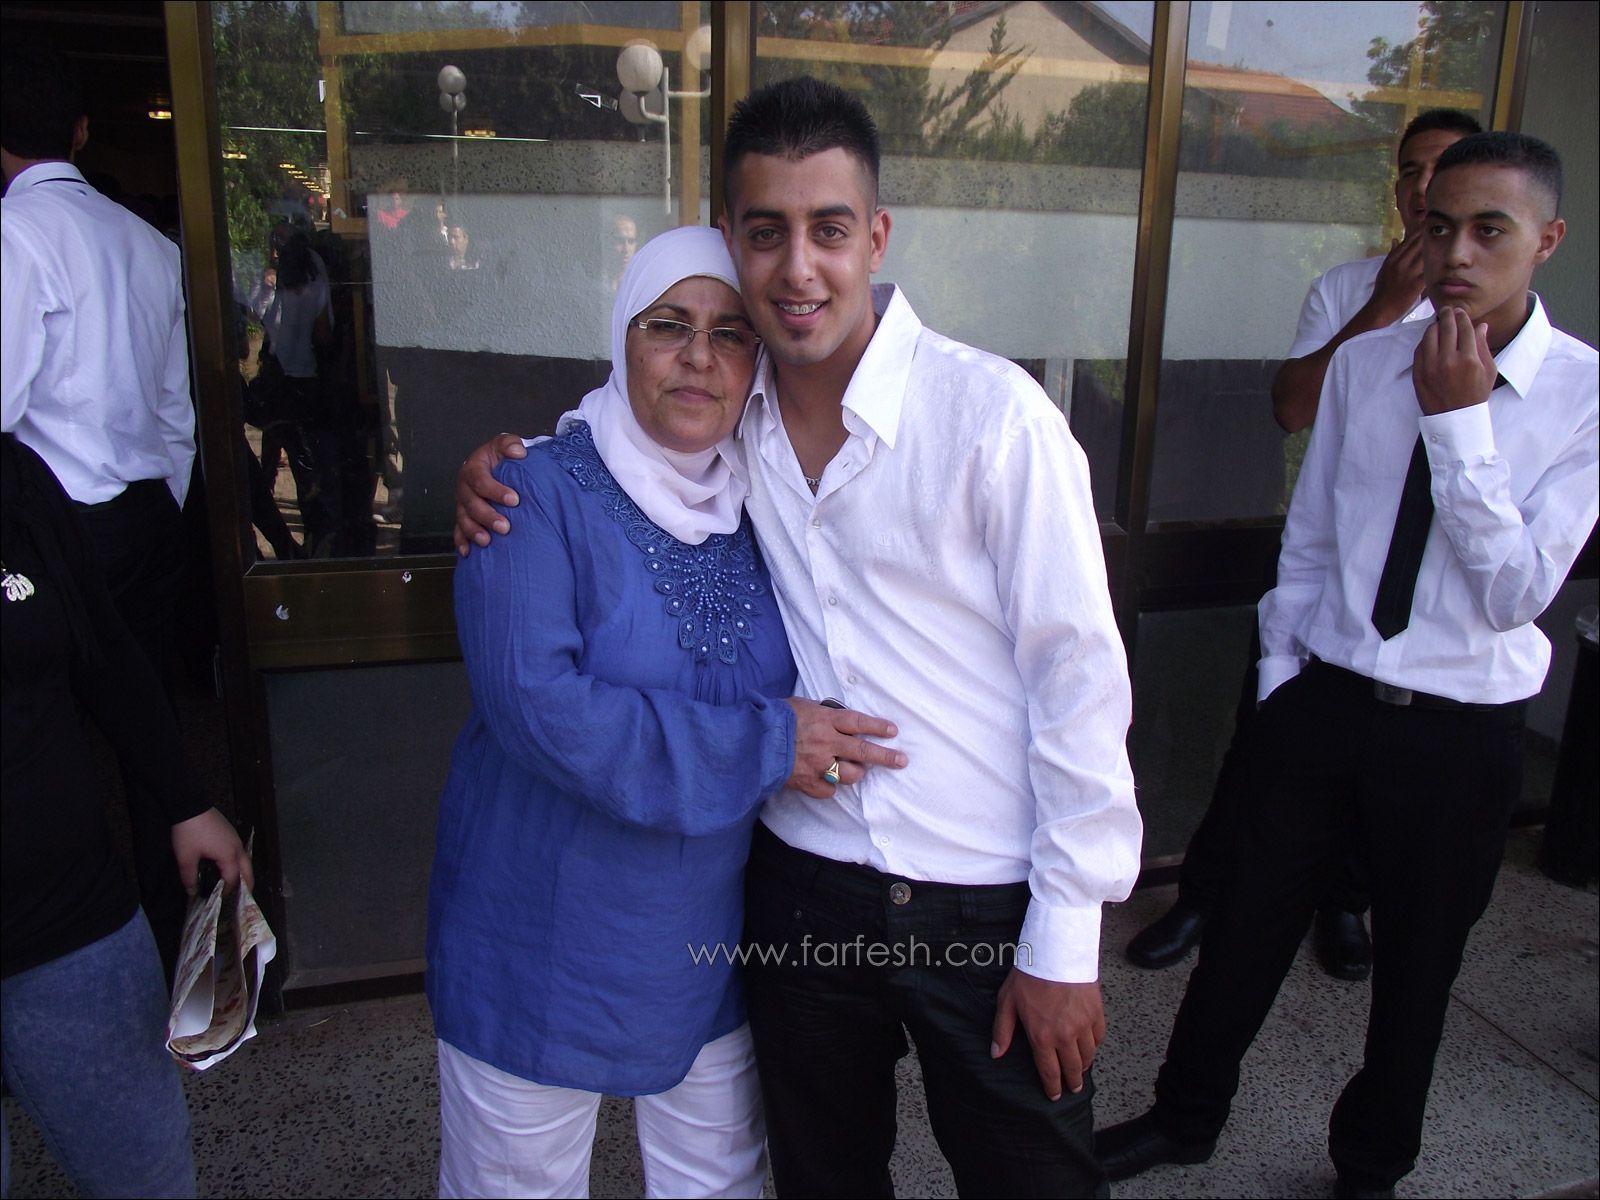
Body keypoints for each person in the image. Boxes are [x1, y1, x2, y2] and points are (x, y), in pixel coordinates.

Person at [455, 76, 1142, 1199]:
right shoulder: (734, 423)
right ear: (734, 240)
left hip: (977, 898)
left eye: (828, 229)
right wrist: (500, 467)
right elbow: (625, 429)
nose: (798, 267)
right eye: (767, 232)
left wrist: (1067, 940)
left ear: (876, 236)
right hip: (802, 889)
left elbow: (1080, 680)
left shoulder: (992, 419)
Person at [1096, 132, 1597, 1200]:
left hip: (1460, 731)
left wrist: (1460, 423)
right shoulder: (1367, 366)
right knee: (1243, 929)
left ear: (1546, 239)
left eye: (1490, 229)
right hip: (1323, 704)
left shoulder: (1585, 397)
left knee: (1419, 965)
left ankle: (1372, 1162)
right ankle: (1184, 1117)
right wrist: (1283, 685)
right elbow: (1312, 542)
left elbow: (1516, 593)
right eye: (1438, 225)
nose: (1456, 251)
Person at [427, 224, 906, 1199]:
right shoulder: (531, 494)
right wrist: (770, 746)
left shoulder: (767, 503)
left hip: (705, 943)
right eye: (667, 325)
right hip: (538, 938)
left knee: (721, 1186)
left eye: (731, 333)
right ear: (622, 337)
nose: (699, 357)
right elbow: (538, 708)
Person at [1126, 108, 1483, 981]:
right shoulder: (1346, 287)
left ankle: (1343, 904)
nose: (1423, 189)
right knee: (1263, 740)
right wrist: (1385, 307)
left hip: (1431, 584)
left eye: (1443, 170)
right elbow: (1292, 408)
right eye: (1410, 171)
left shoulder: (1495, 309)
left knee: (1378, 758)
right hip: (1330, 565)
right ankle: (1204, 894)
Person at [1, 432, 253, 1199]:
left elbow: (102, 648)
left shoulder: (14, 476)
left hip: (72, 917)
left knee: (147, 1172)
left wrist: (185, 800)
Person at [1, 42, 197, 985]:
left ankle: (75, 951)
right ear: (81, 133)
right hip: (146, 515)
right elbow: (177, 414)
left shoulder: (15, 233)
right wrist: (165, 505)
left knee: (44, 737)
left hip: (55, 532)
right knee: (149, 737)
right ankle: (171, 951)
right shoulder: (149, 243)